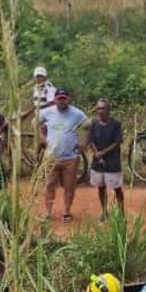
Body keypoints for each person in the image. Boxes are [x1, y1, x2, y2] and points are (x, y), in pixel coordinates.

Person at [39, 89, 88, 222]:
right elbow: (36, 122)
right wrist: (42, 136)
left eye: (64, 98)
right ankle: (48, 213)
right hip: (51, 157)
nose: (62, 101)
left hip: (70, 158)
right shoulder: (47, 112)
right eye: (59, 99)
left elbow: (88, 126)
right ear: (55, 100)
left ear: (68, 99)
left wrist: (83, 143)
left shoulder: (77, 113)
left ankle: (66, 211)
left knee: (69, 186)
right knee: (49, 185)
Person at [86, 99, 124, 218]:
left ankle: (121, 212)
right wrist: (97, 153)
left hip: (112, 160)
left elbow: (117, 142)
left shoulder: (116, 124)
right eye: (98, 108)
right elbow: (90, 140)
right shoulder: (94, 124)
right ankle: (104, 212)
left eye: (103, 108)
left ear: (109, 110)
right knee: (101, 187)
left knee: (117, 188)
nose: (100, 111)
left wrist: (102, 153)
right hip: (98, 161)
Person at [22, 66, 57, 164]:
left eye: (41, 76)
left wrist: (44, 115)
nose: (38, 79)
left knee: (41, 136)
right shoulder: (36, 88)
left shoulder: (49, 88)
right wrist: (26, 113)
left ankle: (43, 155)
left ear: (45, 77)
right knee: (38, 137)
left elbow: (51, 104)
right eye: (37, 77)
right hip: (39, 116)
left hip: (47, 117)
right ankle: (37, 158)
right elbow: (35, 104)